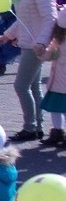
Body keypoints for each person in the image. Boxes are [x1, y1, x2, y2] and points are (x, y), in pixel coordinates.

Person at [0, 0, 58, 141]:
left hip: (36, 44)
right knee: (32, 86)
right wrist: (6, 36)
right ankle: (37, 126)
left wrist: (41, 42)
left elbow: (51, 17)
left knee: (21, 85)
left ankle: (30, 127)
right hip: (30, 42)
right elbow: (23, 18)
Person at [38, 9, 66, 147]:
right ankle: (57, 132)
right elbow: (50, 54)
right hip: (58, 81)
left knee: (60, 108)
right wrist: (41, 52)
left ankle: (58, 132)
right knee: (56, 108)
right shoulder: (59, 39)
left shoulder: (59, 38)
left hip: (60, 81)